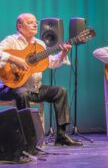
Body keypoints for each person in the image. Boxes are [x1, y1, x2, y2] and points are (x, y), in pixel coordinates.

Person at [0, 13, 82, 146]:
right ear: (20, 26)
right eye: (30, 22)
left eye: (35, 22)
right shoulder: (11, 41)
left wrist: (62, 53)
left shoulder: (40, 44)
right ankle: (27, 137)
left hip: (34, 88)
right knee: (22, 93)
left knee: (60, 91)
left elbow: (51, 63)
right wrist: (15, 59)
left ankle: (61, 135)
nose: (35, 24)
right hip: (11, 87)